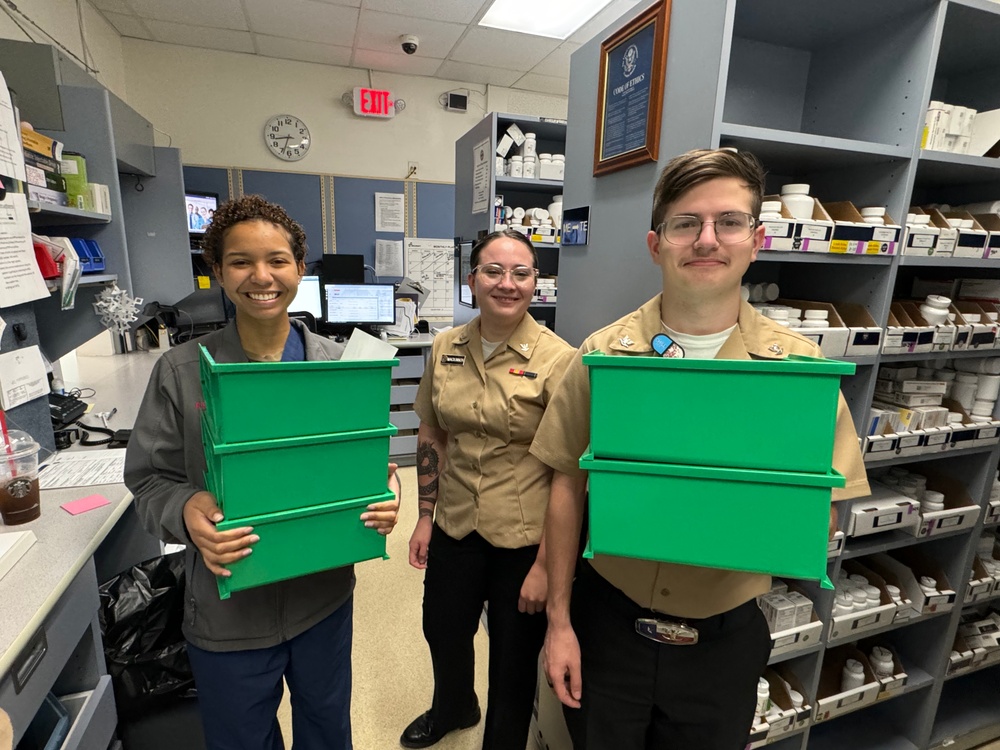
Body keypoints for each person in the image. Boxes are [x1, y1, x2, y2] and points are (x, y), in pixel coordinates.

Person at [530, 149, 870, 750]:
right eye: (686, 223)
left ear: (757, 239)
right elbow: (564, 485)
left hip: (723, 640)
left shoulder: (798, 371)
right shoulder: (606, 356)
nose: (706, 240)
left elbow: (825, 510)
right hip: (608, 623)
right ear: (656, 244)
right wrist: (559, 623)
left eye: (729, 222)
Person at [124, 194, 401, 750]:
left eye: (277, 260)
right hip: (228, 612)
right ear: (218, 273)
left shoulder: (339, 368)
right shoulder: (181, 372)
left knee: (327, 731)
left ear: (300, 267)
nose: (261, 276)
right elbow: (148, 480)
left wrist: (383, 492)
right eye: (240, 261)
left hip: (321, 598)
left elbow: (370, 463)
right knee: (241, 739)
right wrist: (185, 509)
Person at [401, 229, 574, 749]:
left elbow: (569, 470)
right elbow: (432, 432)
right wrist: (425, 515)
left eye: (521, 273)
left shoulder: (558, 358)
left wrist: (546, 565)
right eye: (494, 271)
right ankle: (454, 706)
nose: (507, 283)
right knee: (443, 629)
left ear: (535, 283)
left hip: (522, 538)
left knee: (513, 657)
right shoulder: (445, 346)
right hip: (455, 521)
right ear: (471, 280)